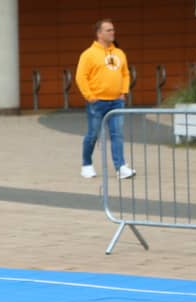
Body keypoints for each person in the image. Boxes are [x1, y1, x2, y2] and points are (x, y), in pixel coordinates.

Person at [76, 18, 135, 180]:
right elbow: (81, 77)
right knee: (93, 134)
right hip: (97, 102)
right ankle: (86, 164)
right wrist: (90, 96)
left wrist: (123, 91)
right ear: (99, 33)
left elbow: (125, 73)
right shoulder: (88, 54)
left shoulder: (119, 53)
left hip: (116, 101)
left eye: (113, 29)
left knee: (117, 134)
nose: (112, 32)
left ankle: (120, 167)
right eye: (108, 30)